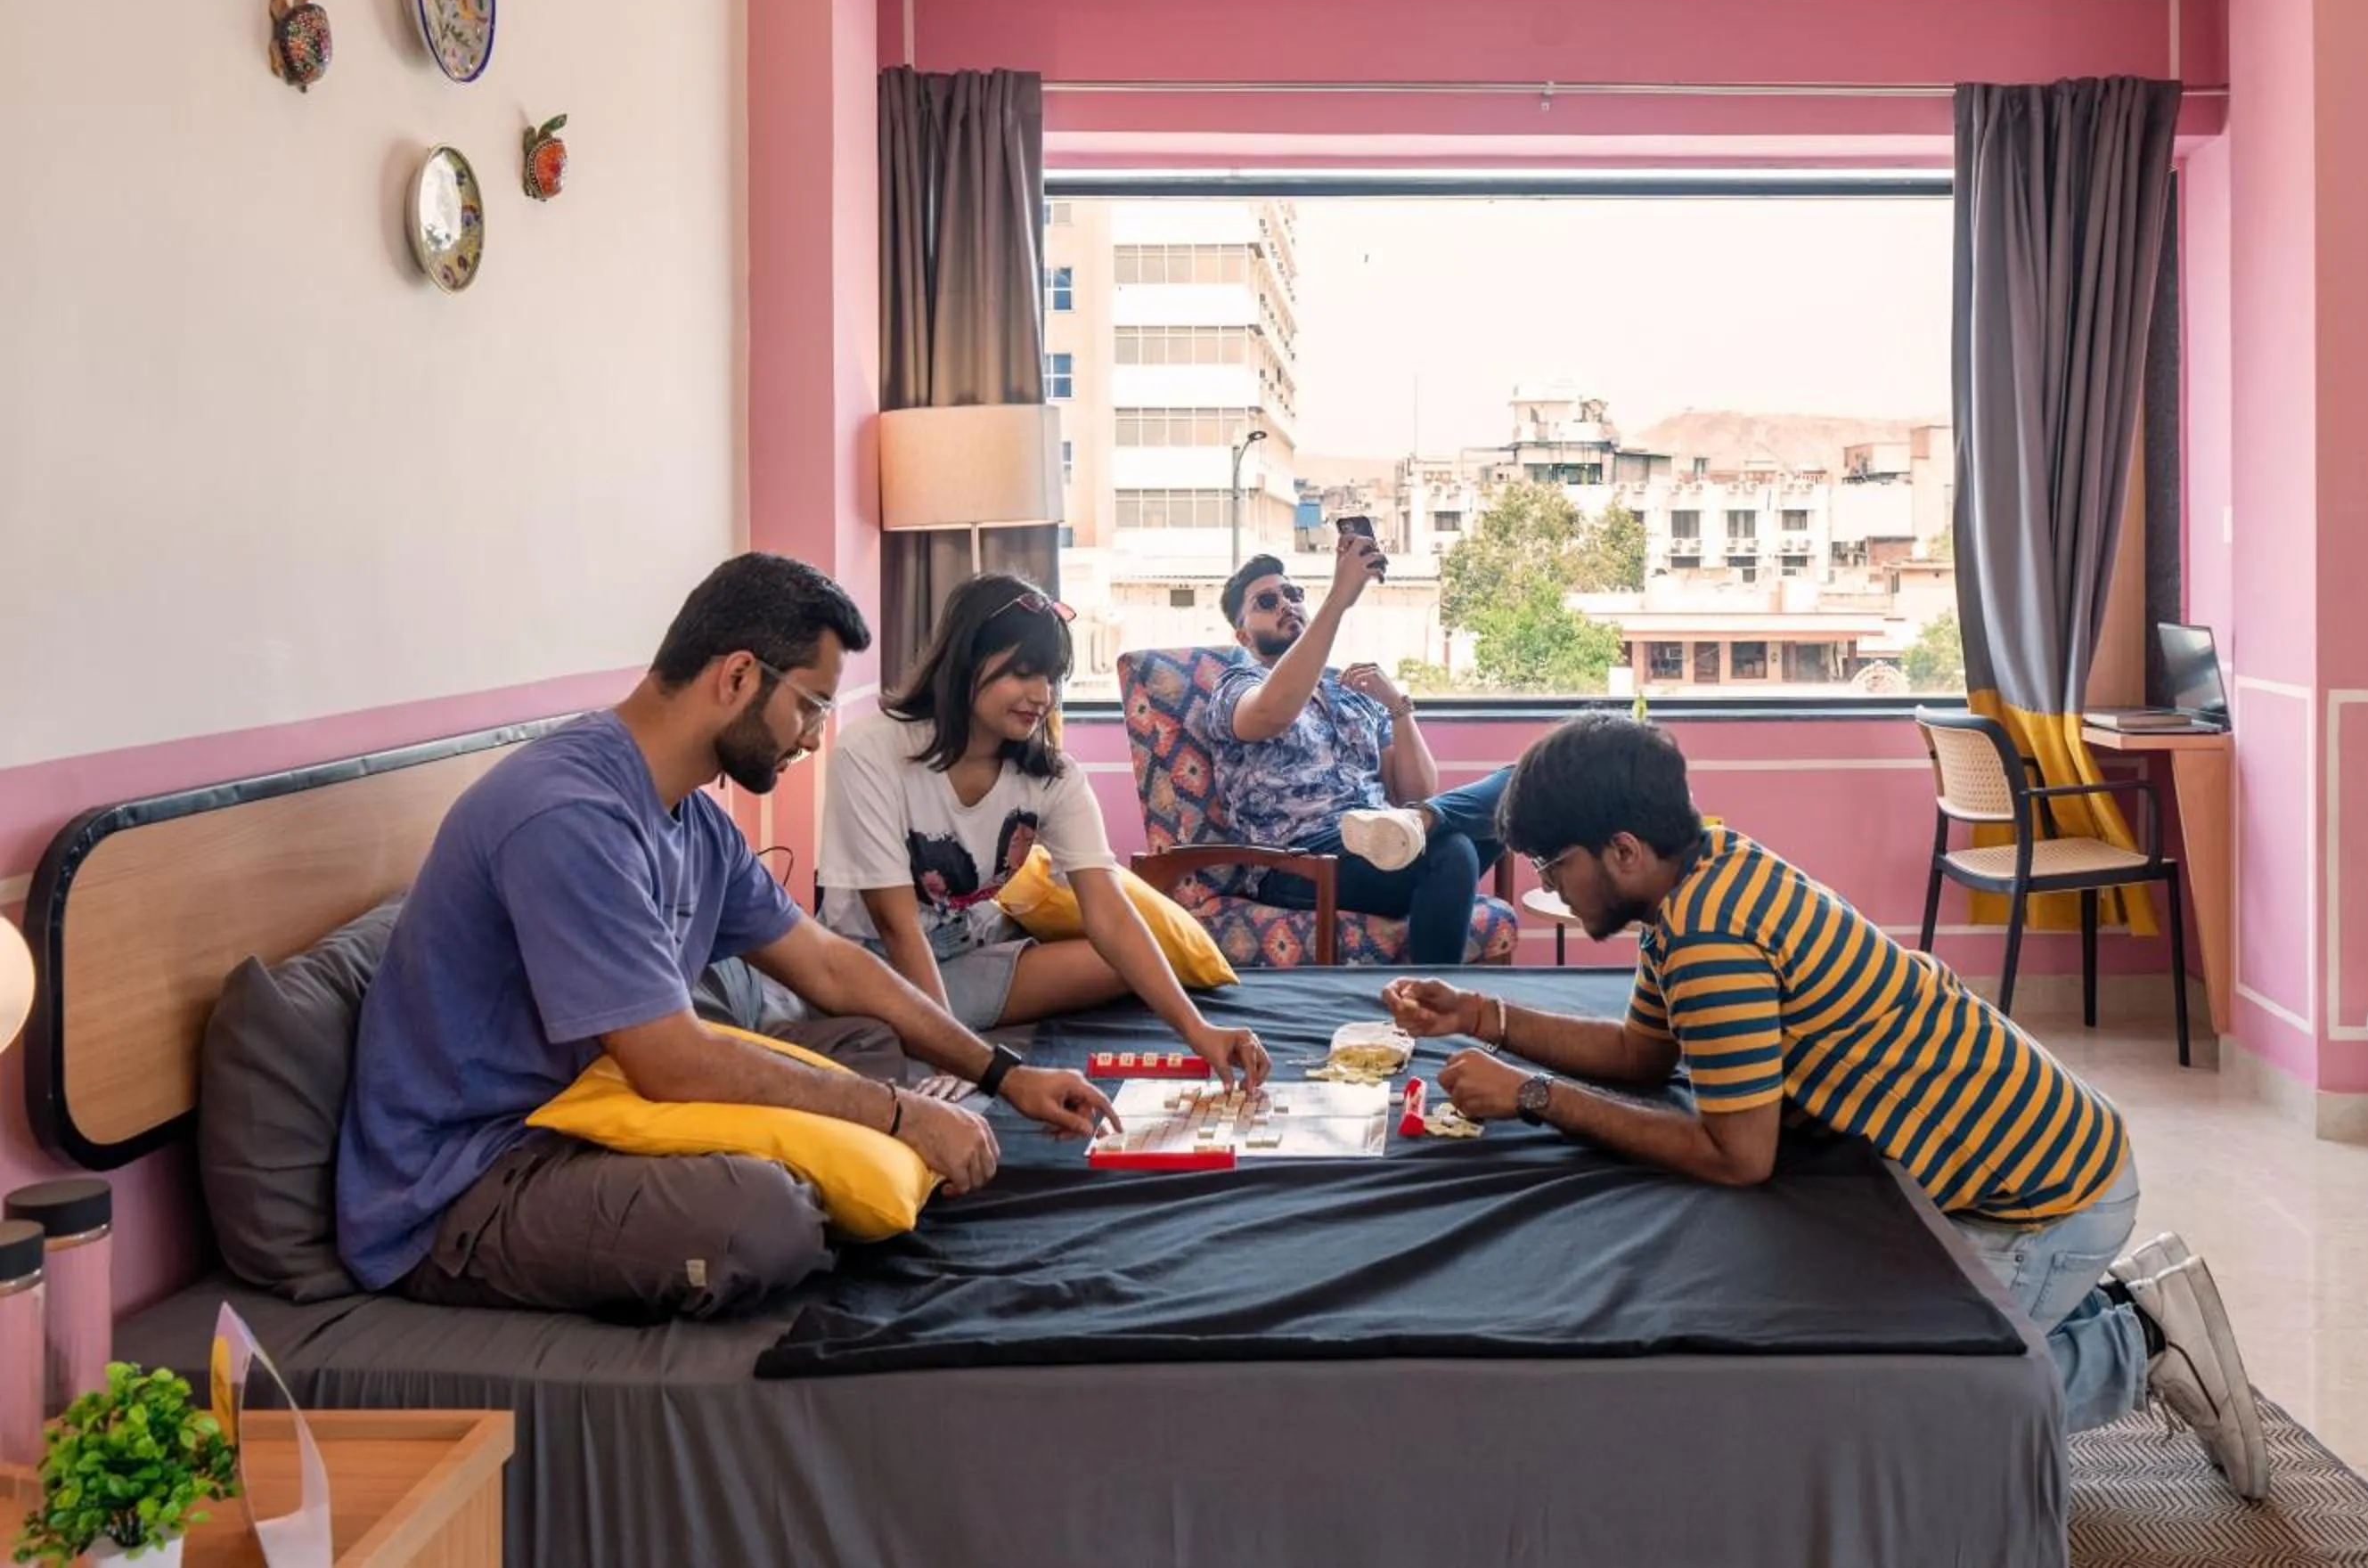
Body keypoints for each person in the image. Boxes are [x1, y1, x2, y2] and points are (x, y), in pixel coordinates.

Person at [1383, 712, 2271, 1500]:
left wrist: (1535, 1096)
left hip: (2046, 1199)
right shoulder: (1703, 876)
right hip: (2037, 1154)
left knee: (1896, 1424)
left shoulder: (1710, 937)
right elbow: (1642, 1055)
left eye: (1556, 865)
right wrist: (1488, 1017)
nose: (1553, 887)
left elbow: (1738, 1156)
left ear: (1622, 851)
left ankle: (2144, 1340)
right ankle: (2123, 1305)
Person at [335, 553, 1123, 1322]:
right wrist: (896, 1117)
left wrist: (1003, 1075)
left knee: (867, 1046)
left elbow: (827, 963)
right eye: (812, 705)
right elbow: (671, 1060)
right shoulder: (568, 815)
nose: (814, 738)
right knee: (764, 1220)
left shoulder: (692, 818)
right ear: (739, 676)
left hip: (594, 1113)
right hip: (472, 1179)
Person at [820, 572, 1271, 1084]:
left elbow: (1110, 915)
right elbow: (896, 928)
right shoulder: (870, 754)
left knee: (1127, 962)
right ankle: (912, 1029)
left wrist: (1199, 1029)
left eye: (1052, 678)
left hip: (966, 953)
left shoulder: (1051, 777)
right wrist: (968, 1065)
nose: (1041, 695)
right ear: (965, 660)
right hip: (875, 966)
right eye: (1023, 672)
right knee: (874, 1024)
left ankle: (929, 1024)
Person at [1195, 542, 1510, 966]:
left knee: (1518, 788)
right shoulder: (1235, 686)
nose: (1286, 604)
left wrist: (1397, 707)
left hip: (1386, 840)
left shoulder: (1351, 692)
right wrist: (1339, 598)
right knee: (1453, 851)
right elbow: (1274, 711)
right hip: (1300, 863)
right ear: (1243, 635)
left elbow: (1413, 790)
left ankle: (1413, 831)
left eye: (1293, 594)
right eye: (1267, 601)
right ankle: (1429, 1008)